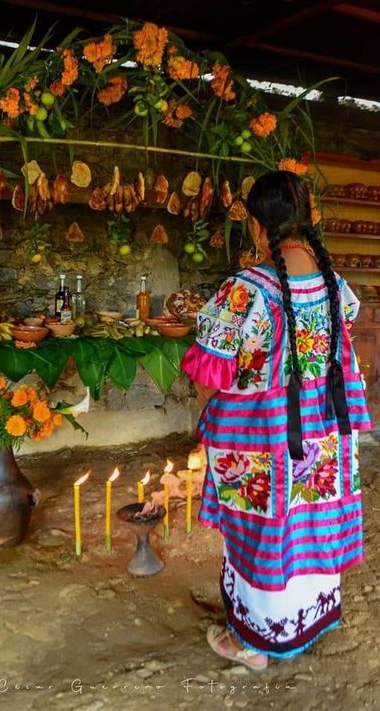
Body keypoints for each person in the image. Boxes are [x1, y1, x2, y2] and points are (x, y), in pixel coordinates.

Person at [181, 170, 371, 671]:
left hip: (262, 441)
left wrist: (216, 419)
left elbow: (208, 368)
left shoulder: (245, 290)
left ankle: (253, 643)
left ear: (258, 226)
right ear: (306, 220)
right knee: (310, 525)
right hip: (325, 438)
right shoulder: (338, 288)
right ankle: (305, 623)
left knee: (262, 531)